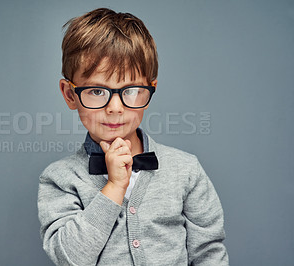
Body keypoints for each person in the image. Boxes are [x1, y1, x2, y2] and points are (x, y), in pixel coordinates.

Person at [37, 8, 229, 266]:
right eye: (96, 90)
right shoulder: (59, 178)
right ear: (70, 94)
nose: (115, 107)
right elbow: (70, 257)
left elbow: (209, 254)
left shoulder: (186, 170)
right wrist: (114, 188)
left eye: (130, 90)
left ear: (150, 91)